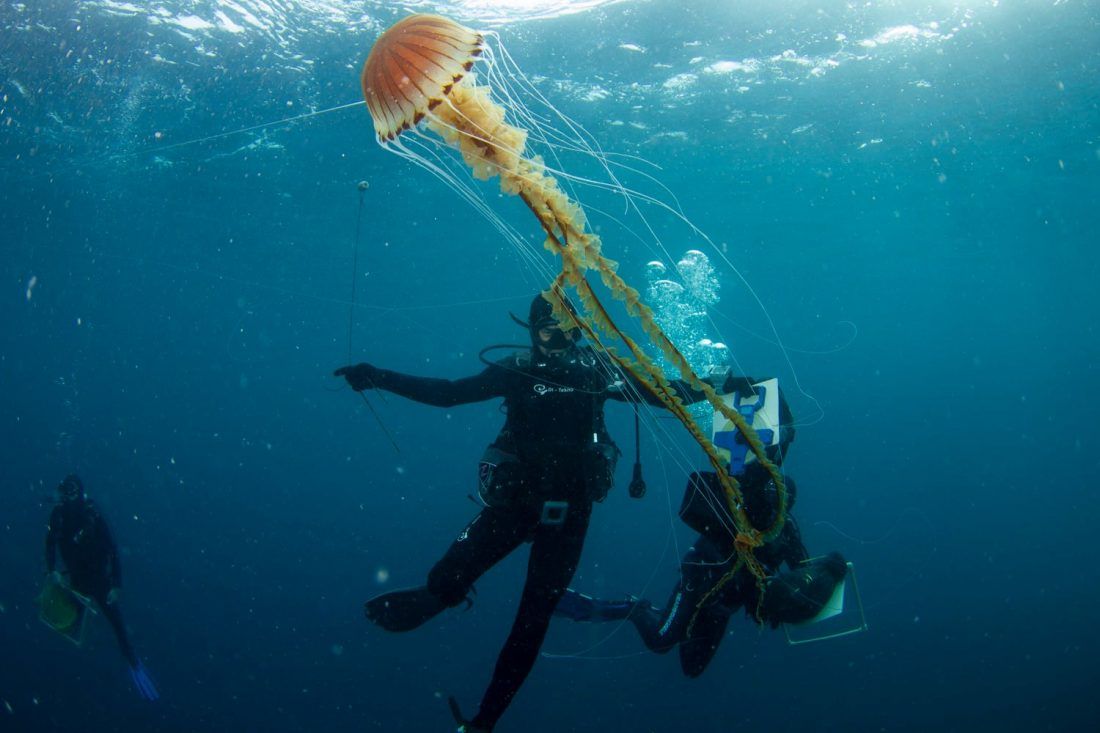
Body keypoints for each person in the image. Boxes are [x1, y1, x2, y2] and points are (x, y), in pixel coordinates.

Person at [335, 292, 759, 733]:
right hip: (514, 505)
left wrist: (721, 383)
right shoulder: (515, 371)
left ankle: (484, 722)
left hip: (569, 516)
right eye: (546, 330)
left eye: (567, 331)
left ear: (579, 330)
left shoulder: (599, 372)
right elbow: (448, 394)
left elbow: (668, 396)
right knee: (445, 580)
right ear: (532, 330)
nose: (557, 340)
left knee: (532, 622)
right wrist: (378, 376)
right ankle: (438, 596)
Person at [554, 393, 848, 678]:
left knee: (692, 668)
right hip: (699, 583)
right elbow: (757, 462)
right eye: (771, 500)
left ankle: (665, 614)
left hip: (725, 605)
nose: (774, 509)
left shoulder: (786, 531)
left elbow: (804, 569)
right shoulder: (738, 510)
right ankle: (632, 609)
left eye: (781, 503)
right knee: (661, 641)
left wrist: (830, 573)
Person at [45, 474, 159, 701]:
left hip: (99, 580)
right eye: (66, 492)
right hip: (75, 580)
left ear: (81, 492)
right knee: (69, 625)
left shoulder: (92, 515)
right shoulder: (58, 515)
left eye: (74, 491)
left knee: (117, 624)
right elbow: (49, 543)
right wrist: (52, 571)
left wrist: (116, 584)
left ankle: (133, 663)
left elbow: (113, 548)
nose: (70, 497)